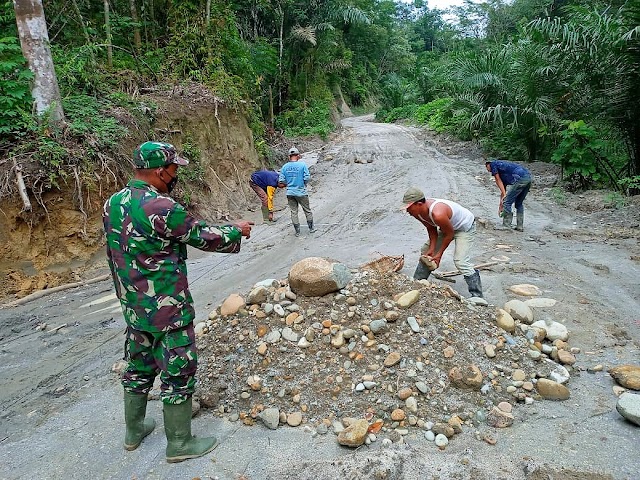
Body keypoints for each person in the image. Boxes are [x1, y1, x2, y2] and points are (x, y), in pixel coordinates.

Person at [103, 141, 253, 463]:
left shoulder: (112, 203)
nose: (175, 175)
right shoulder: (160, 207)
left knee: (138, 366)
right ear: (160, 171)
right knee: (178, 371)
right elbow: (201, 235)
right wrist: (236, 231)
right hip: (169, 311)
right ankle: (180, 444)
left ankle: (134, 431)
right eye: (173, 169)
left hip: (134, 309)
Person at [402, 187, 486, 305]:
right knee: (425, 251)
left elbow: (449, 235)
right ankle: (418, 282)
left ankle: (477, 295)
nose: (407, 211)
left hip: (465, 228)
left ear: (419, 203)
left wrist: (438, 255)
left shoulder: (438, 213)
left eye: (409, 207)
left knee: (461, 261)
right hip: (447, 226)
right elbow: (432, 230)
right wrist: (431, 250)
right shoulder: (417, 213)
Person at [485, 158, 532, 231]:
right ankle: (520, 226)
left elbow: (497, 180)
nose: (488, 170)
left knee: (507, 202)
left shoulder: (493, 164)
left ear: (488, 164)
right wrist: (500, 206)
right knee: (519, 203)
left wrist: (504, 198)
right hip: (528, 178)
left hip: (520, 178)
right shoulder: (504, 173)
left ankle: (506, 225)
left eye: (486, 167)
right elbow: (503, 191)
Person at [278, 146, 315, 237]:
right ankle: (311, 229)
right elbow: (307, 177)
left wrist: (290, 183)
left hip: (290, 193)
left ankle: (297, 232)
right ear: (298, 156)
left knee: (293, 212)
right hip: (301, 192)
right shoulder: (302, 165)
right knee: (307, 210)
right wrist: (303, 184)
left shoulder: (285, 167)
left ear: (289, 156)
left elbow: (281, 181)